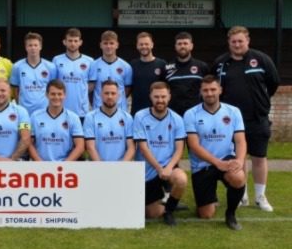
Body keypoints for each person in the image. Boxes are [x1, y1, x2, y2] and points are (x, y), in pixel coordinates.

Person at [213, 25, 280, 211]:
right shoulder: (220, 63)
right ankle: (242, 194)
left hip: (257, 119)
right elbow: (215, 87)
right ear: (229, 43)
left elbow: (273, 83)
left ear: (248, 41)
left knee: (259, 157)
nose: (237, 44)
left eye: (240, 41)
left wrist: (260, 102)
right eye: (233, 41)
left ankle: (261, 196)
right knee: (238, 159)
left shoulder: (261, 60)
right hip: (231, 123)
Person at [184, 75, 247, 230]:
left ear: (220, 90)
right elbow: (193, 145)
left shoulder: (233, 112)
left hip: (227, 159)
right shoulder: (191, 114)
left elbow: (240, 140)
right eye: (206, 90)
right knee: (205, 215)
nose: (210, 93)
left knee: (238, 177)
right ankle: (210, 199)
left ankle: (230, 214)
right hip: (202, 165)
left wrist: (239, 161)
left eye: (213, 89)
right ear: (201, 92)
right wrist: (218, 163)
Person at [133, 81, 187, 226]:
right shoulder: (140, 116)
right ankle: (164, 199)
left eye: (163, 96)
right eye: (156, 97)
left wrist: (169, 167)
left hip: (168, 168)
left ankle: (169, 211)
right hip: (148, 171)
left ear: (169, 96)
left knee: (181, 179)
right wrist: (158, 168)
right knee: (151, 214)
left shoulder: (177, 119)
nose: (160, 100)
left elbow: (179, 148)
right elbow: (143, 148)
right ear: (150, 96)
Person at [28, 79, 84, 161]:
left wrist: (65, 165)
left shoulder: (74, 118)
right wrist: (40, 163)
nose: (56, 97)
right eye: (53, 94)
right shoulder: (35, 116)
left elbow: (80, 146)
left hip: (65, 167)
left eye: (59, 94)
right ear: (47, 95)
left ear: (65, 95)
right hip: (40, 166)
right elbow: (29, 143)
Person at [83, 80, 135, 162]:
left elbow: (131, 147)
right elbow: (90, 147)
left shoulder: (127, 118)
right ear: (100, 95)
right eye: (106, 93)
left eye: (113, 93)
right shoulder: (90, 117)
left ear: (119, 95)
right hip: (99, 168)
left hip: (121, 168)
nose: (110, 96)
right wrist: (104, 169)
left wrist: (122, 167)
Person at [52, 27, 95, 121]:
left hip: (82, 111)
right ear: (64, 42)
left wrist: (80, 91)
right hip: (61, 110)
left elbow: (92, 84)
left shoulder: (89, 61)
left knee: (80, 136)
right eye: (70, 40)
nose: (73, 44)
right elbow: (53, 83)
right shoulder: (56, 60)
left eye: (76, 41)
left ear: (80, 42)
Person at [10, 32, 57, 115]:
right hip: (24, 113)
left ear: (40, 47)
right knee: (24, 128)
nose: (33, 48)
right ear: (26, 47)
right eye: (30, 45)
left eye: (35, 45)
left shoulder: (51, 67)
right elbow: (15, 89)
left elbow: (53, 88)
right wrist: (20, 106)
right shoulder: (17, 66)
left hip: (45, 112)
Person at [90, 30, 132, 112]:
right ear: (101, 45)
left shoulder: (126, 66)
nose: (108, 46)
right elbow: (91, 89)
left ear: (117, 45)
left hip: (120, 110)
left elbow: (127, 89)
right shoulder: (93, 65)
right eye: (105, 43)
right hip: (98, 110)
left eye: (111, 43)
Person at [129, 32, 167, 114]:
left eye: (146, 44)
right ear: (137, 46)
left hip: (157, 111)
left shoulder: (162, 64)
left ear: (152, 45)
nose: (144, 47)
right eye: (141, 44)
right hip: (137, 111)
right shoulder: (132, 65)